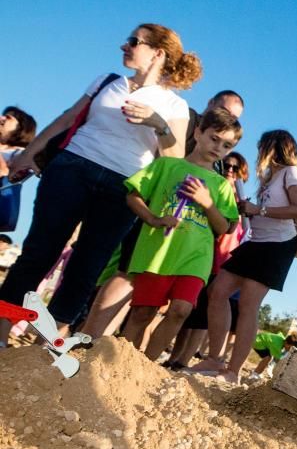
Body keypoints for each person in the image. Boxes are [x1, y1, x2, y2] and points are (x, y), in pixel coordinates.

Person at [0, 24, 198, 345]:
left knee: (86, 267)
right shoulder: (107, 81)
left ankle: (47, 344)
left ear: (158, 53)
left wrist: (157, 123)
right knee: (38, 253)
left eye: (134, 42)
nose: (124, 46)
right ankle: (1, 331)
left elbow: (173, 158)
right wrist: (30, 154)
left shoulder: (174, 106)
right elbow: (67, 119)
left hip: (123, 188)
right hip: (71, 169)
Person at [83, 90, 245, 338]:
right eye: (223, 110)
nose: (227, 118)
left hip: (184, 241)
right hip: (150, 204)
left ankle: (113, 348)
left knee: (152, 305)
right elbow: (163, 160)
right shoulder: (187, 117)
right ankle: (90, 336)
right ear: (209, 106)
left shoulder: (220, 165)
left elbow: (225, 224)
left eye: (234, 116)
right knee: (125, 275)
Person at [120, 109, 241, 361]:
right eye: (214, 138)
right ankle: (119, 362)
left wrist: (207, 203)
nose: (218, 147)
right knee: (143, 312)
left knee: (180, 310)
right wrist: (153, 218)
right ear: (198, 133)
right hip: (157, 253)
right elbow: (133, 195)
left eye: (227, 145)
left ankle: (147, 366)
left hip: (195, 258)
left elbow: (224, 227)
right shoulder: (166, 165)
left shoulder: (221, 186)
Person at [190, 130, 297, 384]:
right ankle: (215, 358)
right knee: (218, 291)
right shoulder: (270, 177)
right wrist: (250, 211)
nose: (258, 154)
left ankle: (232, 371)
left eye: (261, 148)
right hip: (256, 242)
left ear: (272, 148)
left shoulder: (293, 172)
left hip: (277, 246)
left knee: (247, 304)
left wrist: (259, 209)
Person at [165, 151, 250, 369]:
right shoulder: (212, 184)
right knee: (188, 310)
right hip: (200, 251)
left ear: (242, 173)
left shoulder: (241, 200)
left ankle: (183, 360)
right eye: (227, 165)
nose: (230, 170)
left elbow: (239, 230)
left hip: (222, 259)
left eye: (235, 167)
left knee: (203, 315)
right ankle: (175, 356)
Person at [0, 106, 37, 174]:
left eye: (8, 117)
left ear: (20, 128)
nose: (1, 118)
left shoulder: (19, 153)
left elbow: (5, 173)